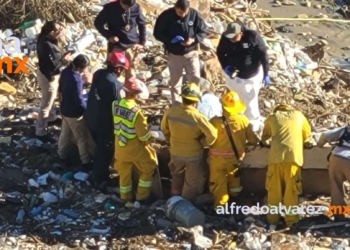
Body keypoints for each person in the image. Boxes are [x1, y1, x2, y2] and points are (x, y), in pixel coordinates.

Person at [160, 82, 217, 202]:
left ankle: (174, 199)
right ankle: (185, 203)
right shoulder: (198, 117)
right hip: (193, 154)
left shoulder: (171, 112)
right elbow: (213, 134)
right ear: (196, 101)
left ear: (182, 97)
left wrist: (170, 140)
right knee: (191, 182)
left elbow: (164, 129)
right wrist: (206, 143)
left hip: (175, 152)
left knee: (176, 176)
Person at [261, 103, 313, 227]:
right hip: (293, 159)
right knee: (291, 191)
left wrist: (266, 141)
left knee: (274, 190)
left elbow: (264, 138)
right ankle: (291, 220)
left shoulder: (272, 117)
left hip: (275, 159)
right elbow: (308, 137)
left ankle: (272, 219)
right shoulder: (299, 116)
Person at [84, 51, 129, 189]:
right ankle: (99, 178)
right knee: (105, 150)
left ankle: (96, 173)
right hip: (104, 122)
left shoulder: (98, 73)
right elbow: (118, 107)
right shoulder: (114, 85)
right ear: (119, 68)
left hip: (91, 116)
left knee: (99, 147)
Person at [209, 90, 260, 210]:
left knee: (218, 184)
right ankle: (235, 201)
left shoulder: (214, 122)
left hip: (217, 161)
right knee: (234, 181)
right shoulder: (243, 120)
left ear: (223, 106)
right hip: (235, 160)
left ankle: (220, 207)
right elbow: (253, 140)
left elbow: (206, 138)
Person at [216, 21, 269, 132]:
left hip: (251, 76)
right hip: (234, 76)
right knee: (234, 101)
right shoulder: (226, 38)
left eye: (234, 37)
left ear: (240, 33)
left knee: (250, 104)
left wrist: (266, 74)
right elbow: (220, 52)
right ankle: (236, 126)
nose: (232, 40)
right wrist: (226, 66)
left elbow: (263, 55)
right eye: (230, 37)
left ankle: (253, 129)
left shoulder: (252, 36)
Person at [113, 77, 157, 203]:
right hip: (133, 147)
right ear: (135, 93)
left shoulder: (115, 104)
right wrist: (150, 140)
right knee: (148, 168)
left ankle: (125, 197)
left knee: (124, 171)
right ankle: (142, 197)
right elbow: (143, 135)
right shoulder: (136, 112)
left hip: (119, 144)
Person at [153, 0, 207, 104]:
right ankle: (176, 107)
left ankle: (194, 106)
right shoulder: (166, 16)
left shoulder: (194, 14)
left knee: (195, 81)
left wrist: (194, 39)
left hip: (191, 54)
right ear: (175, 8)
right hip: (174, 55)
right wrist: (169, 39)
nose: (183, 15)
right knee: (175, 83)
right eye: (180, 13)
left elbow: (203, 31)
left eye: (185, 13)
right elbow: (157, 33)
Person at [57, 54, 95, 171]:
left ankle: (61, 156)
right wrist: (86, 110)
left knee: (65, 134)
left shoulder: (65, 72)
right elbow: (79, 100)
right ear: (82, 67)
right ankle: (86, 162)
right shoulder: (76, 79)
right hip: (74, 114)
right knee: (81, 138)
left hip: (64, 110)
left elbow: (62, 89)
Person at [36, 20, 71, 142]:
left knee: (50, 99)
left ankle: (51, 118)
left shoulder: (47, 39)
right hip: (49, 76)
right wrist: (65, 59)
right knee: (47, 103)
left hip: (47, 74)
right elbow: (54, 64)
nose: (61, 31)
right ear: (52, 32)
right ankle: (41, 131)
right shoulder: (47, 45)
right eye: (59, 30)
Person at [94, 0, 146, 79]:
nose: (127, 8)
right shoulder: (110, 8)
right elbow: (98, 23)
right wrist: (109, 36)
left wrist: (142, 42)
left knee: (131, 75)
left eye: (130, 7)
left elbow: (142, 25)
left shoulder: (136, 7)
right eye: (125, 6)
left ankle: (128, 90)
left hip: (132, 45)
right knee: (113, 74)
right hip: (116, 45)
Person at [316, 125, 350, 221]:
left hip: (336, 158)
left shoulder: (346, 129)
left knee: (336, 187)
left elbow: (325, 136)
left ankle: (339, 215)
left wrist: (319, 145)